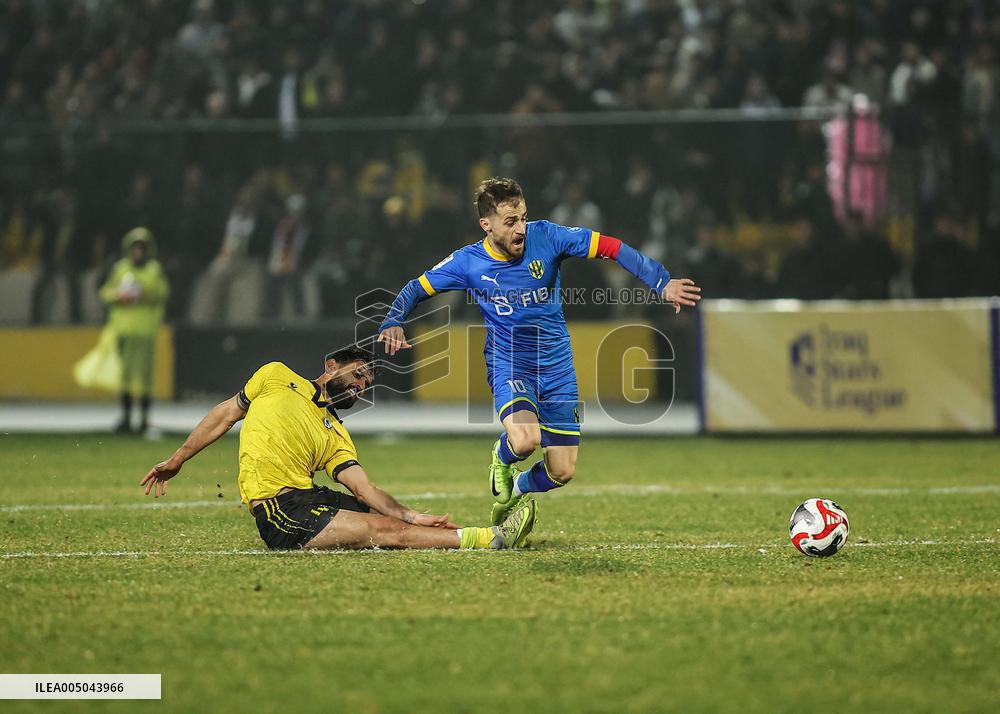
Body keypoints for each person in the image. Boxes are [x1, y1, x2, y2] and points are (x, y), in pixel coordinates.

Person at [377, 178, 700, 526]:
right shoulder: (468, 262)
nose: (521, 229)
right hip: (510, 364)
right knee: (525, 440)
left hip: (557, 368)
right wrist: (393, 320)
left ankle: (516, 487)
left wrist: (660, 281)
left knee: (562, 471)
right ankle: (501, 456)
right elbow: (416, 288)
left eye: (523, 218)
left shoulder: (548, 236)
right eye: (510, 222)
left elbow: (612, 247)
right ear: (486, 225)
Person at [140, 345, 535, 551]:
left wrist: (412, 514)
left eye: (366, 385)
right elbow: (225, 415)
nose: (360, 387)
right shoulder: (275, 376)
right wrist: (177, 459)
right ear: (331, 365)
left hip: (310, 497)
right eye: (358, 374)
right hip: (280, 510)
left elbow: (363, 488)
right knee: (385, 530)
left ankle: (475, 532)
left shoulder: (336, 432)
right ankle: (492, 539)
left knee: (390, 518)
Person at [98, 227, 170, 434]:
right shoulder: (121, 268)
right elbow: (105, 292)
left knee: (145, 377)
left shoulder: (153, 270)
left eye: (142, 248)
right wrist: (118, 295)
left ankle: (144, 420)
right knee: (126, 377)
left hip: (145, 332)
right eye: (135, 248)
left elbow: (162, 292)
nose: (138, 252)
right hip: (123, 331)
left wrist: (141, 292)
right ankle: (127, 418)